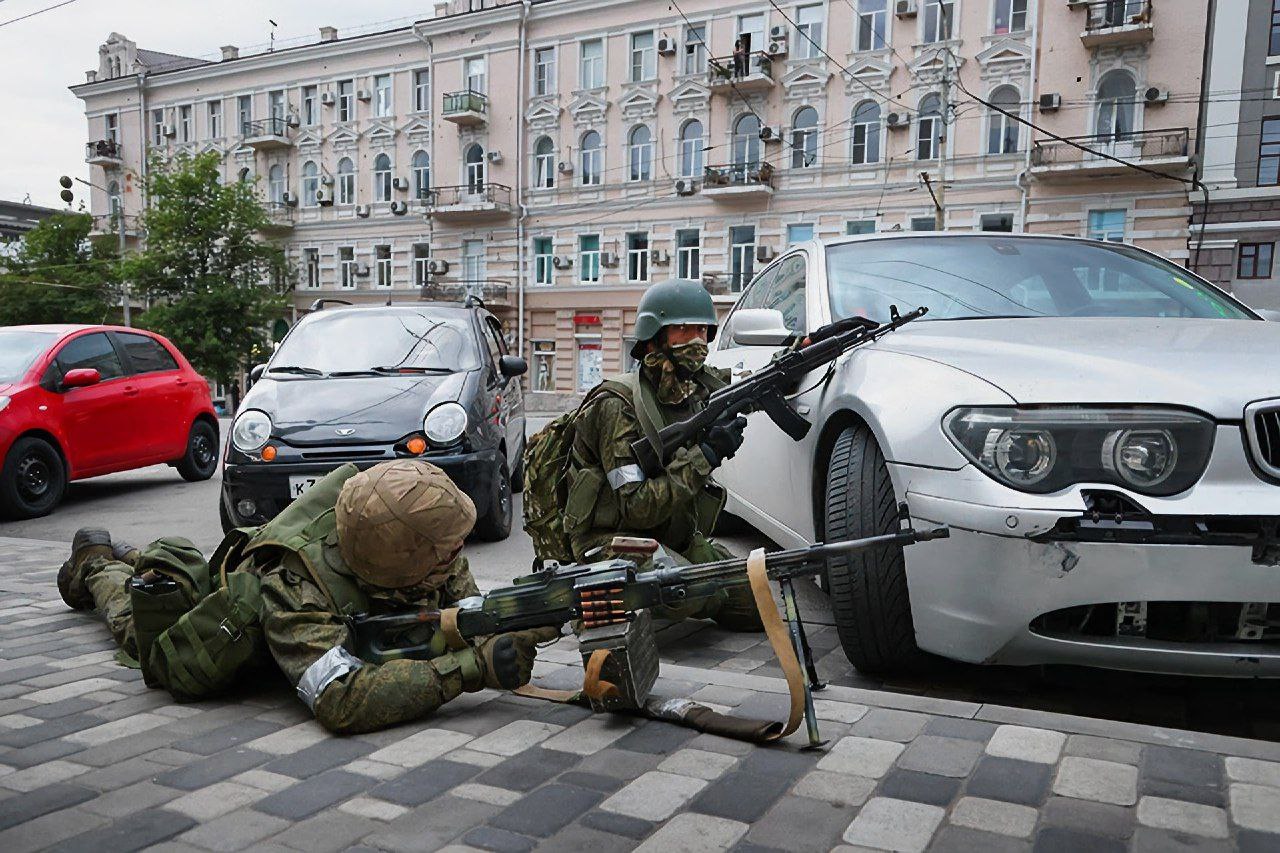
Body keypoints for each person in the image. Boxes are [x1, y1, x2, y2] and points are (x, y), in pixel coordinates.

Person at [56, 459, 556, 734]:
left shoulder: (420, 546)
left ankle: (130, 555)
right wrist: (469, 670)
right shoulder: (295, 588)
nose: (458, 556)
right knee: (138, 627)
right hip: (232, 629)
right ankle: (97, 564)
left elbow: (462, 614)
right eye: (447, 551)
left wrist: (535, 617)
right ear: (402, 559)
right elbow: (340, 698)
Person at [564, 278, 762, 631]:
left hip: (668, 532)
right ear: (654, 336)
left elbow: (758, 381)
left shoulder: (695, 388)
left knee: (751, 603)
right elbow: (635, 507)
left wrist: (803, 348)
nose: (696, 340)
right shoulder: (618, 406)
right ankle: (599, 603)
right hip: (611, 539)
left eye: (702, 330)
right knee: (687, 590)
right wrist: (705, 455)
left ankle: (681, 584)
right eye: (683, 330)